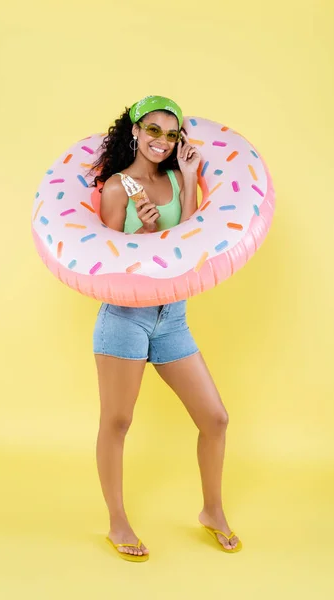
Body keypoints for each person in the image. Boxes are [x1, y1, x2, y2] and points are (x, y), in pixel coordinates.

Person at [90, 95, 242, 561]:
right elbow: (106, 265)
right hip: (125, 318)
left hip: (173, 317)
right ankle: (117, 522)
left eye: (171, 133)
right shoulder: (117, 189)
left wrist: (192, 179)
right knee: (118, 421)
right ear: (134, 131)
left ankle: (212, 511)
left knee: (215, 418)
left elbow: (191, 242)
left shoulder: (178, 178)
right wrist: (139, 239)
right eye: (152, 130)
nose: (161, 141)